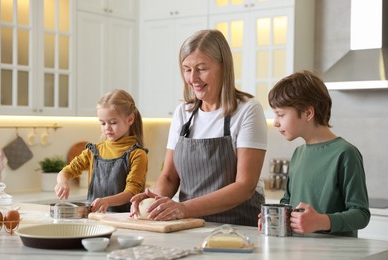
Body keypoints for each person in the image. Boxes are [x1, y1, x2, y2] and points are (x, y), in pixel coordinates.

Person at [130, 29, 267, 226]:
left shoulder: (247, 110)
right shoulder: (183, 113)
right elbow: (169, 177)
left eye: (202, 68)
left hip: (237, 229)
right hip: (190, 226)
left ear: (224, 67)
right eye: (187, 69)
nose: (193, 78)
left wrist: (184, 208)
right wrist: (153, 202)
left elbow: (245, 186)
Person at [258, 70, 370, 237]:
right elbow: (287, 202)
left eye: (281, 114)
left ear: (308, 113)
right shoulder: (298, 154)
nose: (275, 122)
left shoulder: (345, 154)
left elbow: (361, 214)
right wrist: (275, 217)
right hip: (299, 250)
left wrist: (321, 221)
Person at [55, 89, 148, 213]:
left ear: (130, 119)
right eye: (102, 123)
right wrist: (62, 182)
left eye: (113, 122)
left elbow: (131, 192)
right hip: (95, 218)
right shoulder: (94, 151)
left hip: (124, 219)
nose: (107, 128)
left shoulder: (137, 155)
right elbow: (66, 171)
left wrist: (107, 201)